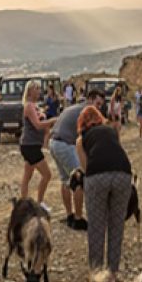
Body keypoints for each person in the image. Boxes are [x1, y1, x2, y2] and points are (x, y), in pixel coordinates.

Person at [75, 105, 132, 282]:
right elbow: (117, 151)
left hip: (97, 176)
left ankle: (96, 272)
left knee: (97, 226)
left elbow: (86, 168)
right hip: (123, 173)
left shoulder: (81, 139)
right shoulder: (111, 131)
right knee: (116, 225)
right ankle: (113, 273)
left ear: (82, 123)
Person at [49, 89, 106, 231]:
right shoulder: (87, 112)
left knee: (65, 180)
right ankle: (78, 219)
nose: (99, 108)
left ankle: (70, 215)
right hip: (65, 144)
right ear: (91, 99)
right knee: (79, 179)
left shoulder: (76, 107)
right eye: (98, 104)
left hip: (54, 142)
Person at [19, 80, 57, 209]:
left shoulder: (34, 106)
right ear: (30, 91)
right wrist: (52, 120)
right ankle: (39, 203)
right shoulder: (29, 106)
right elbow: (37, 125)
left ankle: (23, 204)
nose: (39, 91)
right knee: (47, 175)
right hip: (30, 146)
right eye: (36, 89)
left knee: (27, 176)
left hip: (32, 145)